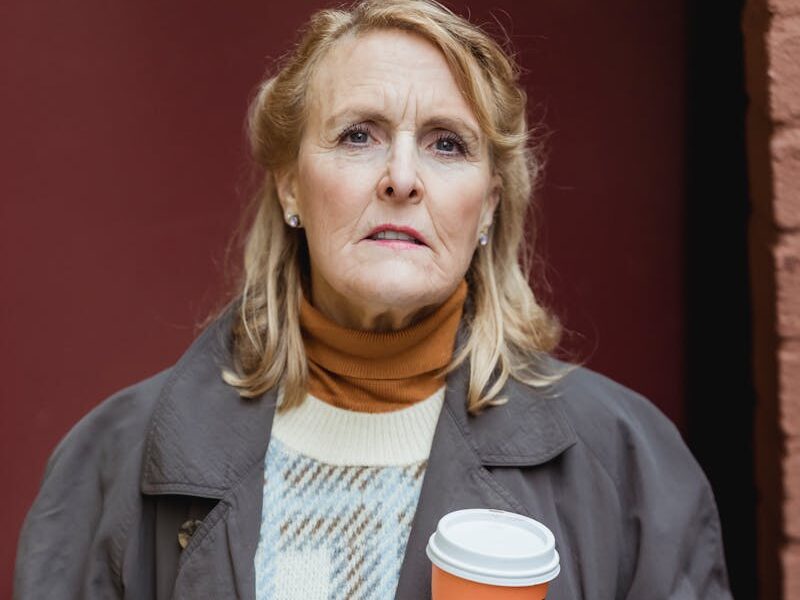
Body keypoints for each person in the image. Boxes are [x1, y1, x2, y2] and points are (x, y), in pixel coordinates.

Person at [13, 1, 733, 598]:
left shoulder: (629, 465)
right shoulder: (116, 460)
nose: (401, 178)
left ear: (488, 204)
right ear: (291, 184)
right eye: (358, 136)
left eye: (447, 144)